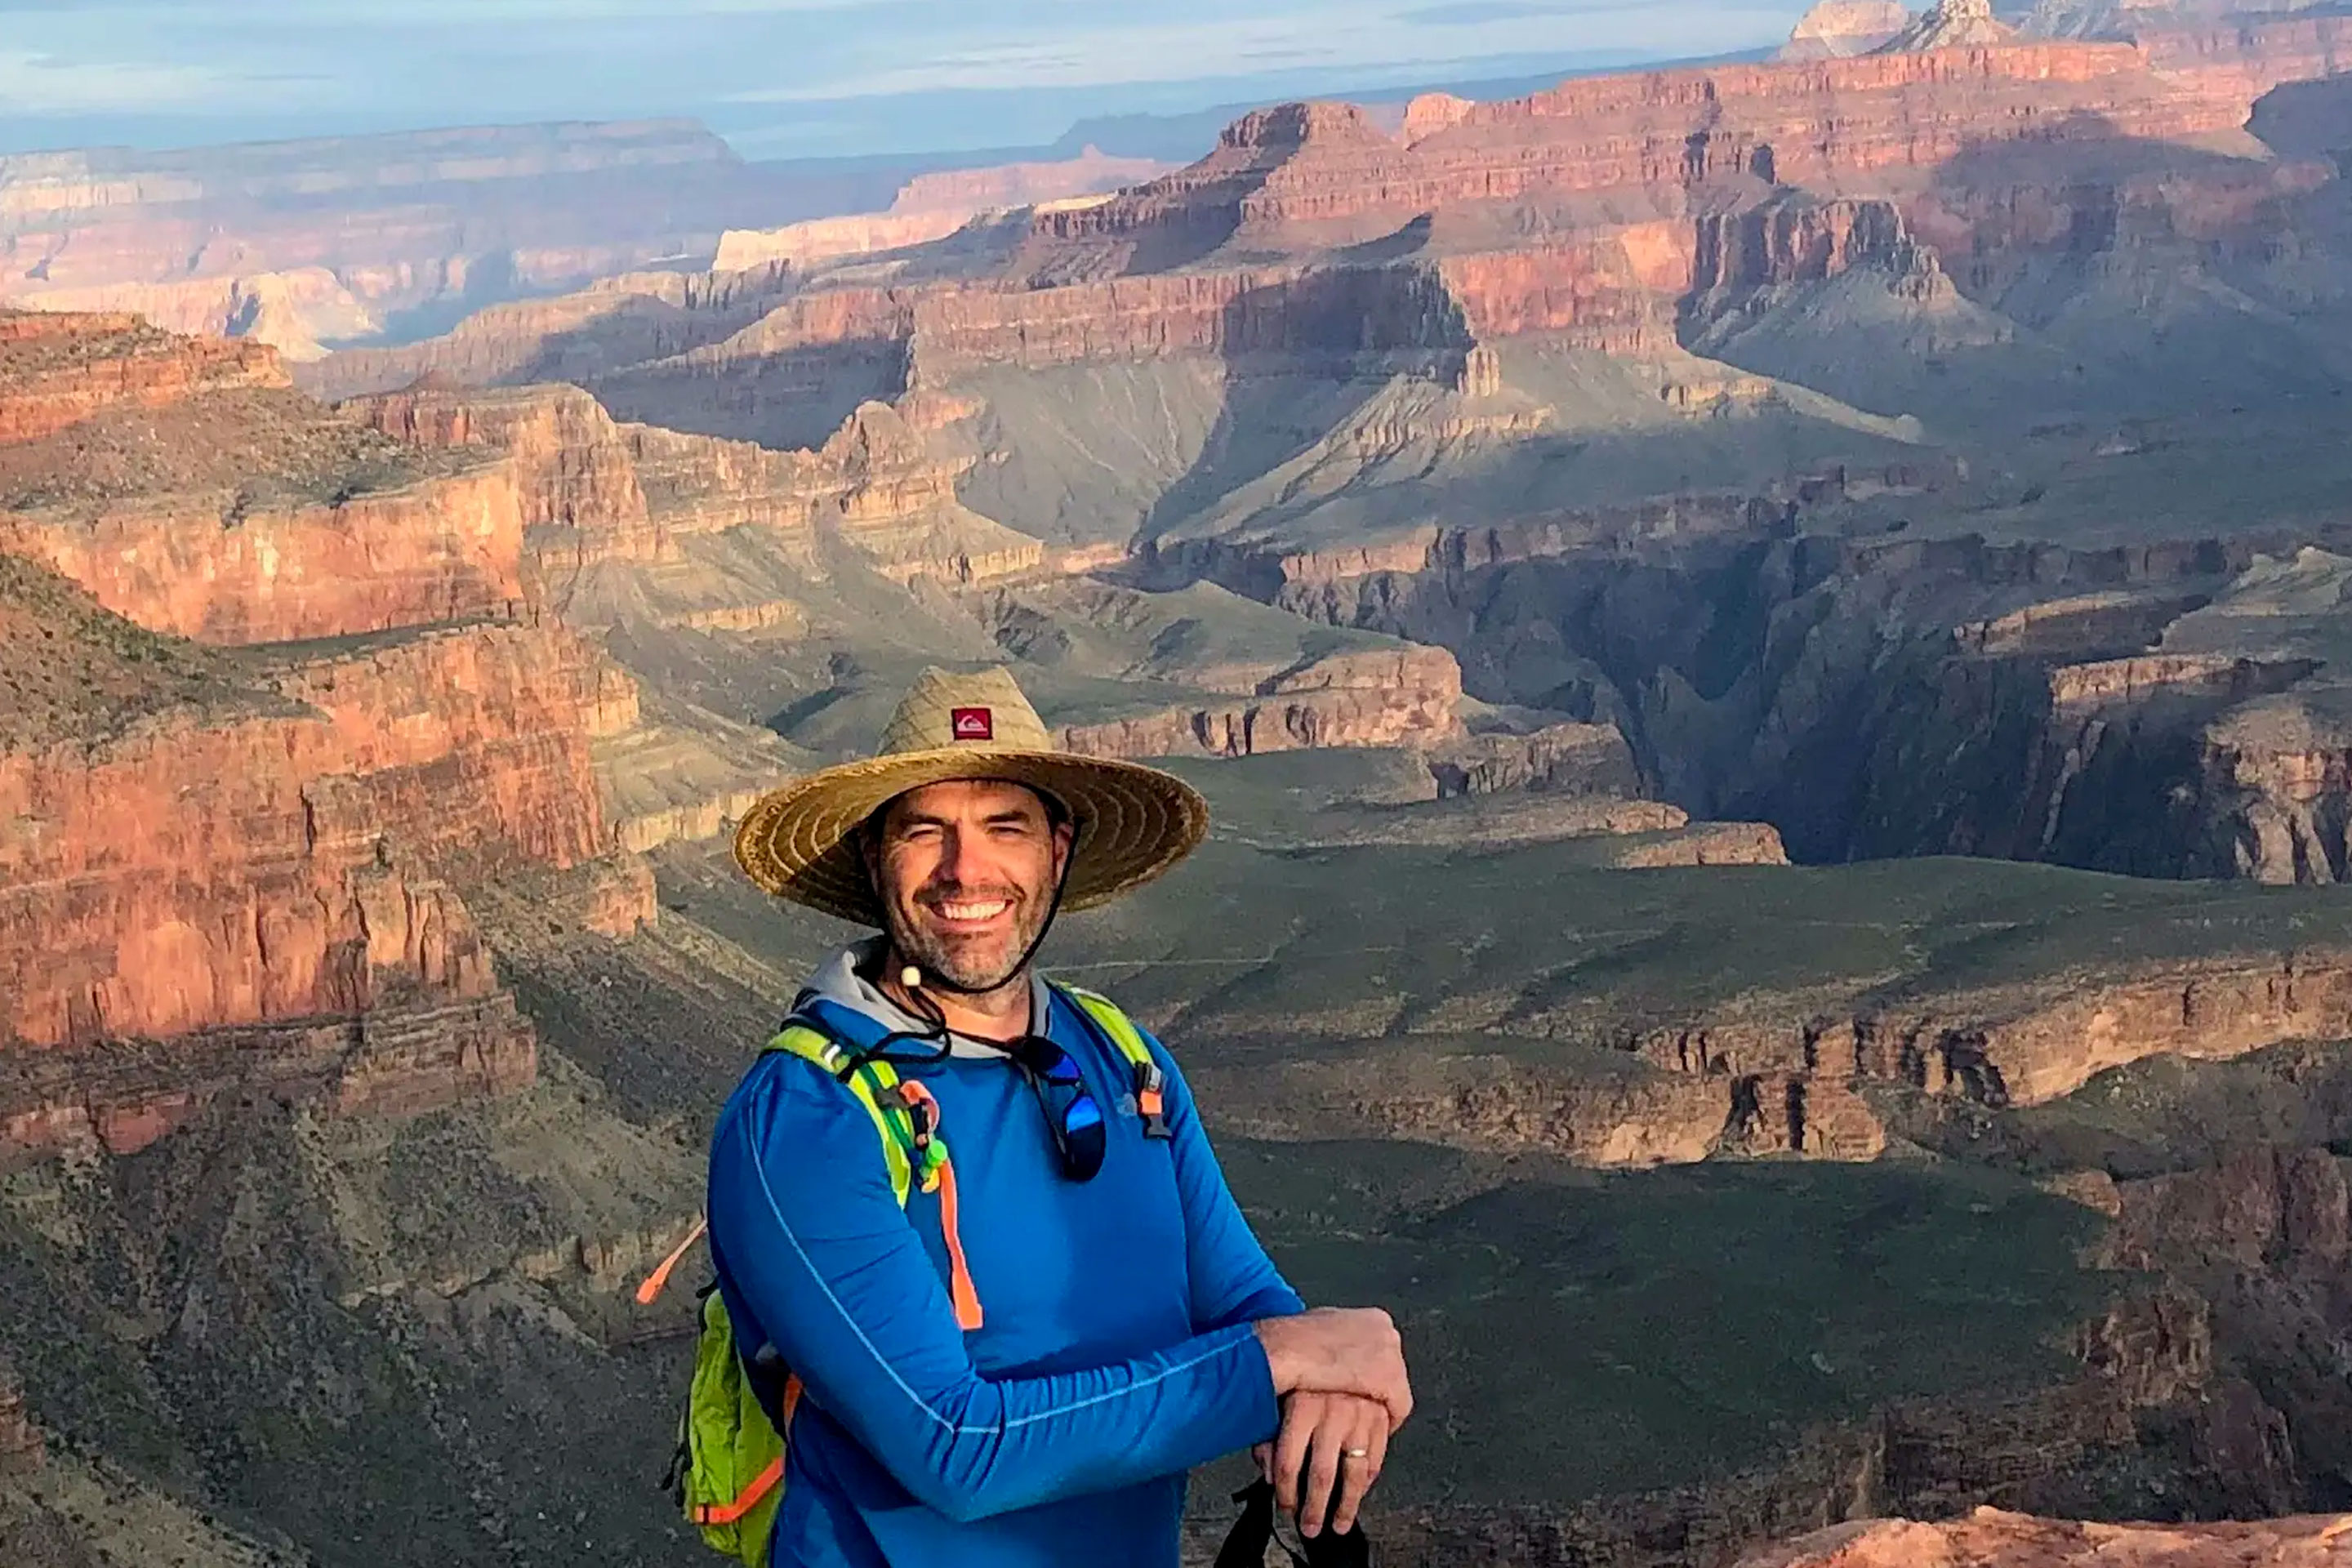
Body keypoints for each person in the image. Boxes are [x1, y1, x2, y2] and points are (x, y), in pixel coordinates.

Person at [709, 665, 1412, 1568]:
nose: (968, 869)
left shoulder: (1122, 1055)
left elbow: (1237, 1294)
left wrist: (1329, 1390)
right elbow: (954, 1450)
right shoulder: (804, 1119)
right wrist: (1284, 1361)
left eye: (1007, 826)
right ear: (873, 858)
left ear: (1059, 850)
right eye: (928, 831)